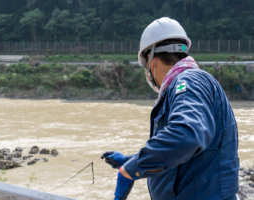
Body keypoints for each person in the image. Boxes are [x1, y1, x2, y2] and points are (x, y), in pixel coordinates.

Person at [101, 17, 239, 200]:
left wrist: (132, 170)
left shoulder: (188, 83)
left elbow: (187, 135)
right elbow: (183, 154)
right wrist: (132, 160)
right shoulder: (189, 83)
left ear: (151, 60)